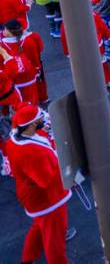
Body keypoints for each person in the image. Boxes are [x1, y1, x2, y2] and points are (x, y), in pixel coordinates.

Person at [4, 104, 75, 264]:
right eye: (40, 118)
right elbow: (47, 181)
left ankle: (28, 259)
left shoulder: (15, 140)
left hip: (32, 198)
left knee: (38, 227)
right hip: (48, 200)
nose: (44, 120)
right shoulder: (33, 153)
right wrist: (67, 166)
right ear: (33, 124)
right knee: (55, 240)